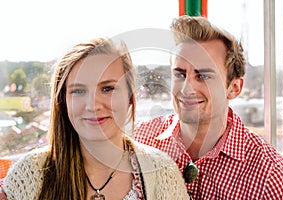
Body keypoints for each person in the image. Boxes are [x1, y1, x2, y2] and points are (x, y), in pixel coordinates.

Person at [133, 15, 283, 199]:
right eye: (180, 74)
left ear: (234, 88)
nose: (187, 88)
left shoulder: (270, 176)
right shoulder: (139, 141)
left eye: (203, 76)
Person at [1, 38, 189, 199]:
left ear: (131, 97)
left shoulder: (162, 173)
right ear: (63, 102)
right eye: (79, 91)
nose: (92, 105)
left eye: (107, 89)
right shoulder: (31, 174)